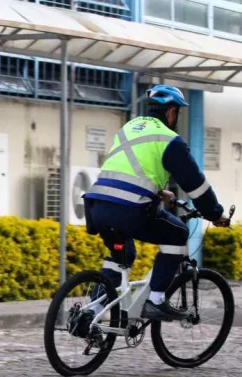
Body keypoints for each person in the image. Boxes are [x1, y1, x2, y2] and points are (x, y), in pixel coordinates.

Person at [84, 84, 229, 322]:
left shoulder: (129, 129)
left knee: (123, 253)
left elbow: (131, 169)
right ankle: (156, 299)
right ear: (171, 112)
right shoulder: (170, 140)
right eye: (177, 113)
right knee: (178, 233)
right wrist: (215, 214)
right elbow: (196, 185)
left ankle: (92, 311)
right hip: (130, 209)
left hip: (97, 205)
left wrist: (161, 193)